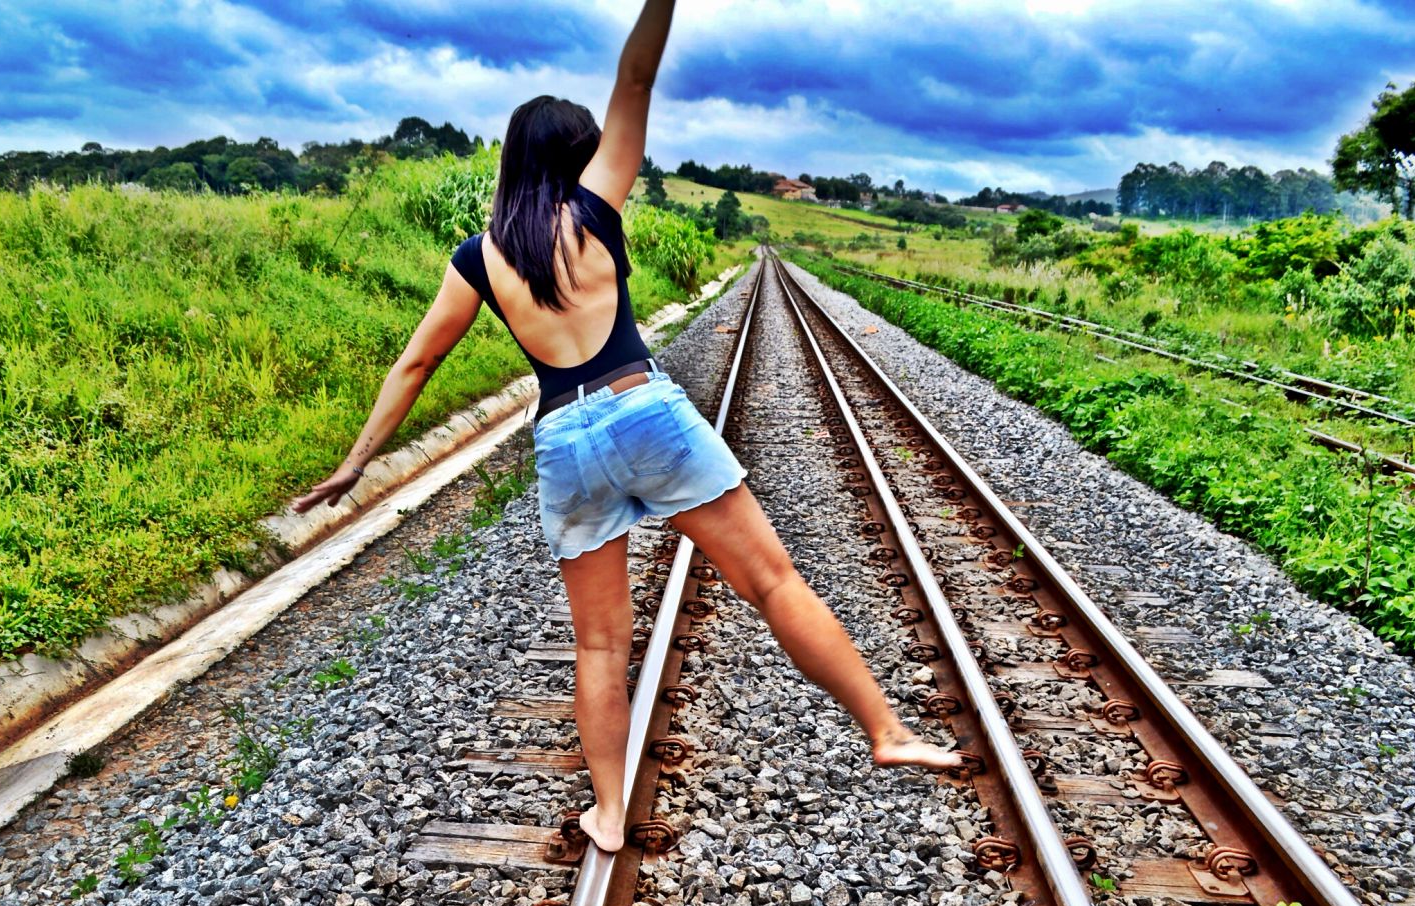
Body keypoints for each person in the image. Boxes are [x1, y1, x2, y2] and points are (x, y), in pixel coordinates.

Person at [292, 0, 961, 853]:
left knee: (602, 647)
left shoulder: (478, 258)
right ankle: (886, 731)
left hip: (565, 443)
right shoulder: (595, 210)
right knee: (772, 583)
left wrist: (356, 464)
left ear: (513, 159)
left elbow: (416, 364)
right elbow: (636, 77)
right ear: (580, 156)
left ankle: (608, 814)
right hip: (644, 411)